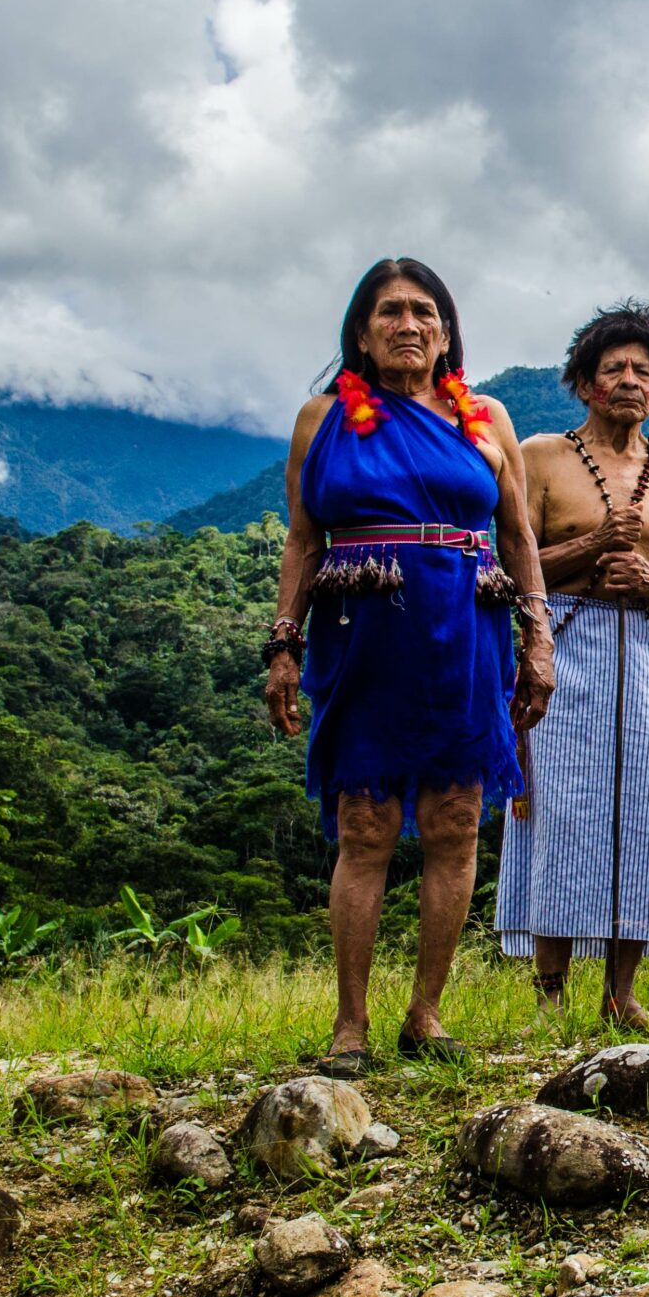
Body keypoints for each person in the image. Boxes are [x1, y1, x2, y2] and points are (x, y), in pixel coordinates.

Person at [264, 259, 554, 1073]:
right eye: (389, 311)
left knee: (458, 821)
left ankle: (425, 1013)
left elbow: (520, 538)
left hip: (465, 629)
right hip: (362, 635)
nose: (408, 324)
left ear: (447, 331)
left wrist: (538, 638)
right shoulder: (322, 418)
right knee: (366, 827)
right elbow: (303, 538)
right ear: (361, 332)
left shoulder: (485, 418)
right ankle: (349, 1025)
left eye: (424, 312)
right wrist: (283, 642)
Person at [495, 301, 649, 1029]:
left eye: (644, 371)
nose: (629, 380)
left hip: (648, 653)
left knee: (646, 811)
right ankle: (550, 994)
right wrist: (590, 549)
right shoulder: (540, 457)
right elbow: (507, 565)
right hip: (559, 643)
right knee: (561, 808)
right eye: (613, 368)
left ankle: (622, 995)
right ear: (584, 383)